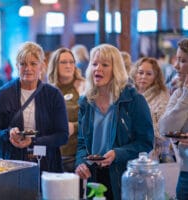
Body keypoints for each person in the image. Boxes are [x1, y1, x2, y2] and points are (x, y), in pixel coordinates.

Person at [75, 44, 154, 199]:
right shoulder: (86, 102)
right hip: (94, 176)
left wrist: (117, 154)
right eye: (94, 64)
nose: (98, 68)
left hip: (122, 175)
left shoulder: (134, 100)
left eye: (105, 65)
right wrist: (81, 162)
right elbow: (81, 143)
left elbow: (145, 143)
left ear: (116, 69)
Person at [0, 41, 69, 173]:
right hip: (11, 164)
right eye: (23, 64)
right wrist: (8, 134)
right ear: (16, 66)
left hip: (47, 164)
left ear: (42, 66)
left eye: (33, 63)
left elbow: (62, 136)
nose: (28, 68)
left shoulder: (53, 95)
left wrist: (33, 141)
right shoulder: (2, 95)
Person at [158, 38, 188, 200]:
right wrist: (186, 95)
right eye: (177, 59)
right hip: (185, 174)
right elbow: (164, 128)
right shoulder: (178, 93)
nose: (176, 66)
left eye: (183, 61)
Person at [47, 47, 85, 172]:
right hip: (52, 154)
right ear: (55, 65)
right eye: (63, 62)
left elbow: (94, 121)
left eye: (71, 62)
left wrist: (74, 127)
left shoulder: (83, 87)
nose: (68, 65)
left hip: (76, 155)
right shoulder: (47, 90)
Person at [131, 57, 171, 162]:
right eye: (140, 72)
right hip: (130, 152)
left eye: (148, 74)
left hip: (155, 155)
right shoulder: (129, 94)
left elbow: (164, 132)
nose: (143, 77)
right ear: (135, 74)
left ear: (155, 77)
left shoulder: (162, 97)